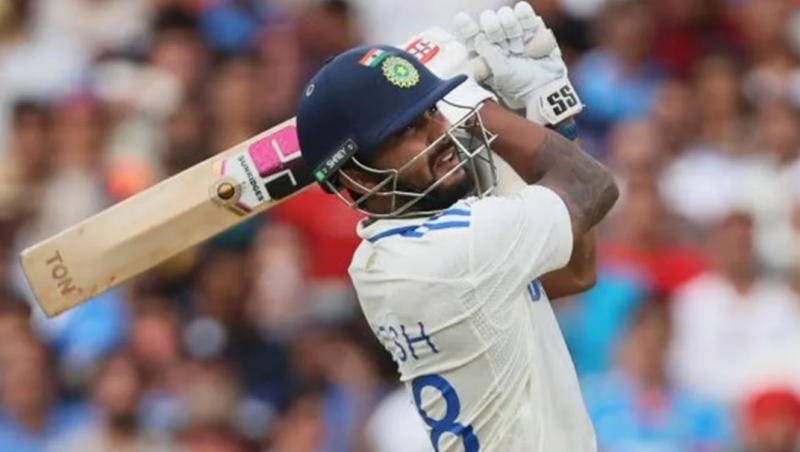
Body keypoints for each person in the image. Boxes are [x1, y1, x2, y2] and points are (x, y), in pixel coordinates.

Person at [295, 3, 619, 451]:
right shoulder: (452, 252)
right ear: (359, 177)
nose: (440, 131)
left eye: (433, 111)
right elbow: (592, 186)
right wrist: (479, 105)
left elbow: (574, 273)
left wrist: (548, 114)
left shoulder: (382, 256)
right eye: (407, 129)